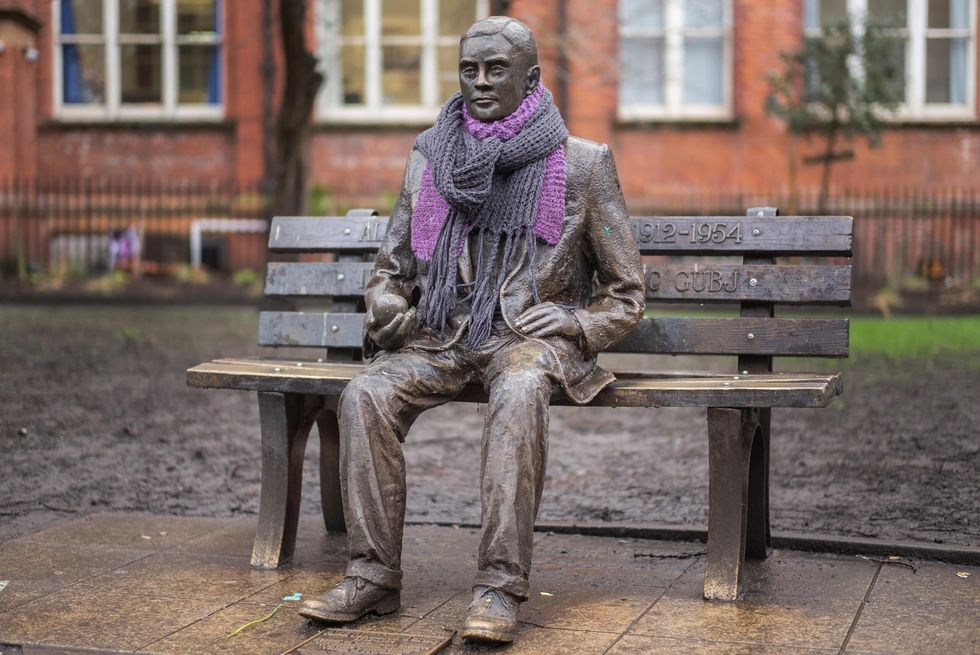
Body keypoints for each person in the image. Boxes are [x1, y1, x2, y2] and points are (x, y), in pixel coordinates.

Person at [299, 16, 644, 644]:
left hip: (526, 340)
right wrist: (385, 305)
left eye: (496, 69)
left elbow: (627, 295)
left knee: (516, 394)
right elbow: (391, 268)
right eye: (469, 69)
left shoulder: (583, 166)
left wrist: (573, 319)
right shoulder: (434, 157)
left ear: (530, 77)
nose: (480, 81)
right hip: (444, 334)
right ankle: (372, 576)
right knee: (365, 394)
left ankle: (498, 587)